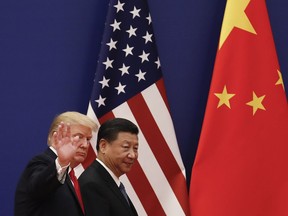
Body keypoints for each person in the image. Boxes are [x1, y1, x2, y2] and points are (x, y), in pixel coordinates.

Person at [14, 111, 98, 216]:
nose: (85, 145)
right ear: (56, 137)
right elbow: (40, 186)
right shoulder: (41, 162)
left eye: (88, 139)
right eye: (79, 137)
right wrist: (62, 162)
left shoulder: (71, 175)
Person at [79, 118, 139, 216]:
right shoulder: (91, 184)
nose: (132, 155)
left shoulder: (109, 182)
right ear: (103, 146)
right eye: (126, 147)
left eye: (135, 148)